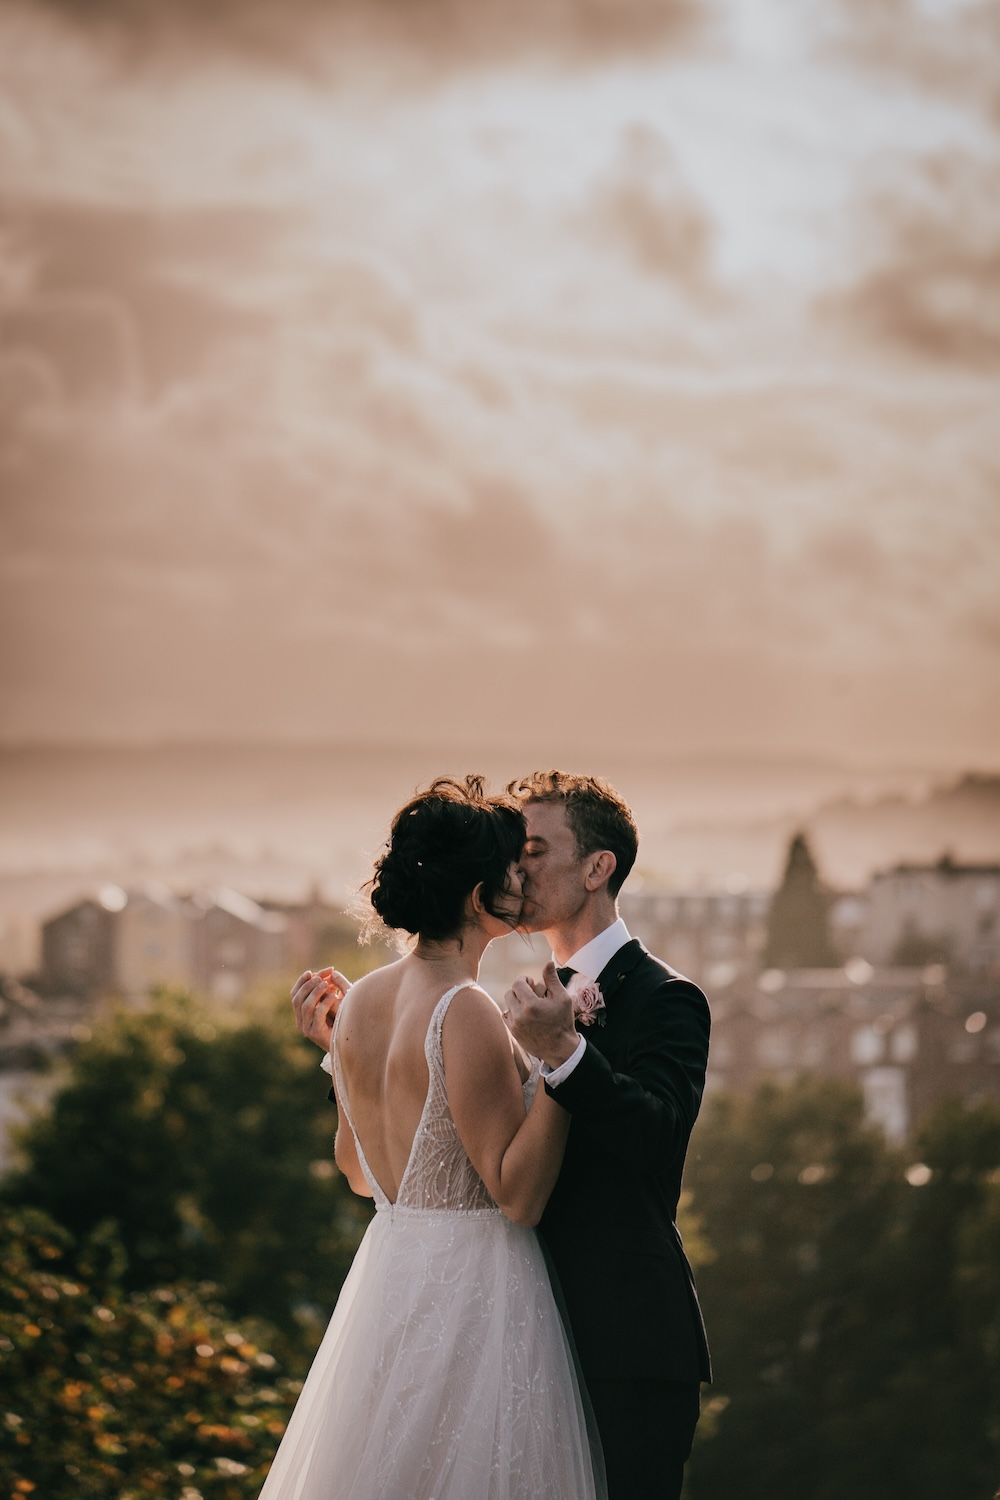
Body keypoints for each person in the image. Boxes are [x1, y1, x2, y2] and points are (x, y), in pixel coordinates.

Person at [266, 776, 605, 1500]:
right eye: (513, 869)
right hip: (474, 1292)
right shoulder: (466, 1009)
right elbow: (517, 1196)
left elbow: (359, 1173)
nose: (525, 878)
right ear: (480, 900)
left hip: (391, 1283)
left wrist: (336, 1056)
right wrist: (557, 1066)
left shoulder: (358, 1002)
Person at [501, 770, 711, 1500]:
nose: (516, 867)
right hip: (538, 1334)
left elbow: (657, 1135)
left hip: (629, 1343)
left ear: (598, 868)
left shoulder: (668, 998)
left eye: (533, 848)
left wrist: (566, 1054)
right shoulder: (534, 998)